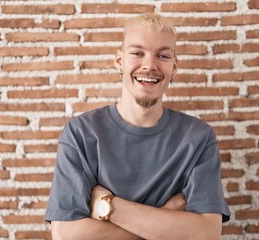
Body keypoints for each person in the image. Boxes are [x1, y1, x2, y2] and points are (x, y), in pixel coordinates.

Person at [45, 13, 230, 239]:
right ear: (119, 61)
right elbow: (67, 235)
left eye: (163, 55)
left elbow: (207, 232)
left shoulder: (198, 137)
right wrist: (165, 219)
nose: (149, 65)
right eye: (137, 53)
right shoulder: (80, 133)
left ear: (174, 67)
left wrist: (108, 206)